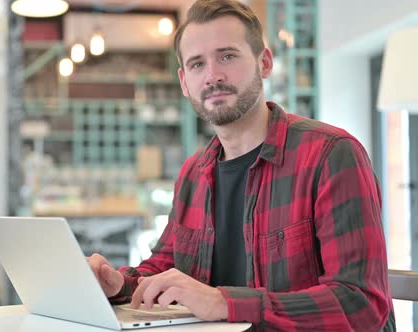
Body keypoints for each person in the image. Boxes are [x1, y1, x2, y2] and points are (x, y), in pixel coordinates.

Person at [87, 0, 396, 330]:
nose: (212, 76)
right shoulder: (194, 174)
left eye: (227, 56)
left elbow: (361, 303)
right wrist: (119, 286)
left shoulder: (331, 155)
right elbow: (167, 266)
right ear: (183, 82)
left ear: (264, 63)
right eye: (196, 64)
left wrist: (223, 302)